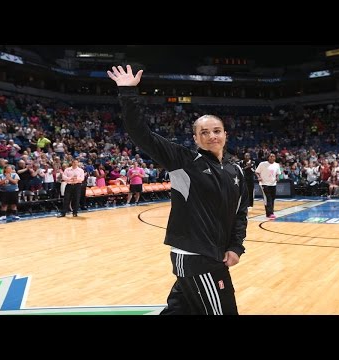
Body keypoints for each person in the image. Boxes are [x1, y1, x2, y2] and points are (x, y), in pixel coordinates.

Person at [107, 65, 248, 315]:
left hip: (213, 256)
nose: (211, 136)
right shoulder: (183, 162)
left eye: (216, 131)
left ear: (225, 134)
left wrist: (236, 247)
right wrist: (128, 93)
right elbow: (142, 135)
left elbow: (240, 214)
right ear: (195, 138)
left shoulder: (235, 171)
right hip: (195, 256)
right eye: (204, 132)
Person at [255, 153, 281, 219]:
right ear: (268, 157)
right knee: (268, 198)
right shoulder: (262, 164)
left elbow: (278, 173)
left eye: (273, 156)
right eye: (271, 156)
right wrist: (259, 177)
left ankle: (268, 213)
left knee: (272, 198)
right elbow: (257, 172)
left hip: (273, 183)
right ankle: (270, 213)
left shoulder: (277, 165)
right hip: (264, 183)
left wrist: (277, 177)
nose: (272, 157)